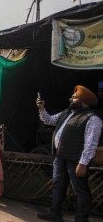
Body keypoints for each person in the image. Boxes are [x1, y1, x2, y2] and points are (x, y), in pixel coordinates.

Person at [37, 85, 102, 222]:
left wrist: (83, 163)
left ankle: (81, 219)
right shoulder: (67, 112)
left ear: (82, 100)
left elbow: (91, 144)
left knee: (80, 190)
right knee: (58, 185)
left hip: (76, 160)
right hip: (61, 157)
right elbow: (49, 120)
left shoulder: (92, 119)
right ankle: (55, 214)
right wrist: (42, 109)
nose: (70, 99)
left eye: (74, 97)